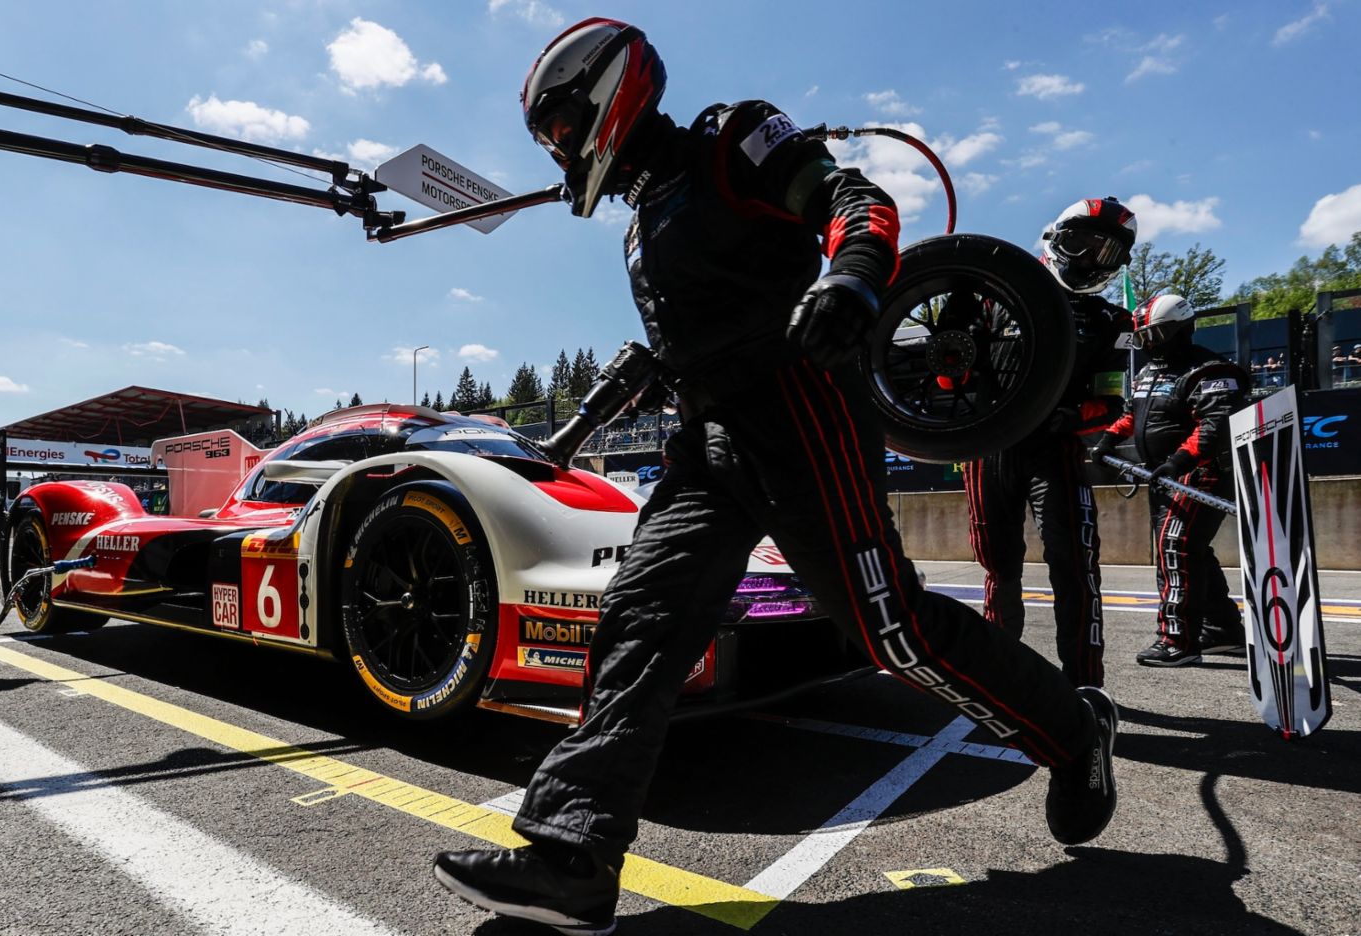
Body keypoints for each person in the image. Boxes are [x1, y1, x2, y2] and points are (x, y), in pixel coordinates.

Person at [433, 19, 1119, 934]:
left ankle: (1074, 732)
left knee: (892, 632)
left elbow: (852, 198)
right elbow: (687, 335)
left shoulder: (732, 138)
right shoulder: (641, 222)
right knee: (641, 618)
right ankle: (572, 858)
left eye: (560, 129)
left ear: (606, 95)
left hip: (801, 408)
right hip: (707, 440)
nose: (558, 151)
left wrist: (855, 276)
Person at [960, 198, 1136, 688]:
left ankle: (1085, 683)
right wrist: (957, 332)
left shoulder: (1113, 321)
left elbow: (1111, 402)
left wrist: (1070, 417)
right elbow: (954, 379)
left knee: (1075, 567)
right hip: (991, 448)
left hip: (1056, 450)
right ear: (1056, 238)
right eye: (1081, 242)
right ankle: (999, 678)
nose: (1089, 257)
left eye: (1105, 250)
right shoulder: (996, 297)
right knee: (999, 566)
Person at [1092, 294, 1248, 667]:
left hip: (1200, 473)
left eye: (1156, 334)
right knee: (1192, 550)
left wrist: (1178, 461)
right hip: (1164, 475)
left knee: (1175, 548)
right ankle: (1223, 630)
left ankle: (1178, 641)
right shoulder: (1149, 372)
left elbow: (1215, 425)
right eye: (1143, 336)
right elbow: (1133, 413)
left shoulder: (1210, 370)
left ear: (1182, 329)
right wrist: (1109, 438)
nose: (1149, 343)